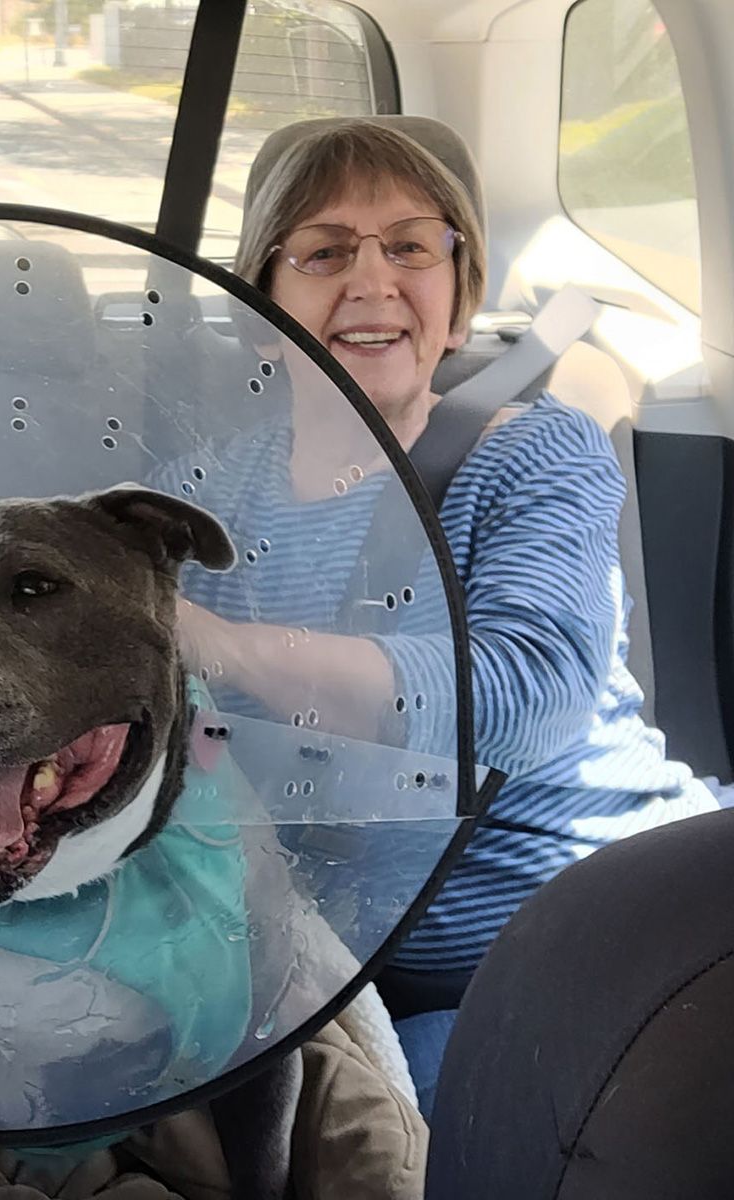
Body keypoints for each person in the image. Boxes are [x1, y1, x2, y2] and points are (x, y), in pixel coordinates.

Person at [171, 118, 718, 1113]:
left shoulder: (534, 454)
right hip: (335, 970)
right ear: (261, 310)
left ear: (458, 303)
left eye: (411, 247)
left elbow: (526, 695)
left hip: (606, 934)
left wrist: (224, 648)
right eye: (324, 252)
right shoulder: (194, 499)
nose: (373, 280)